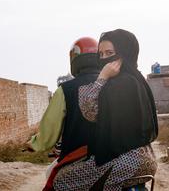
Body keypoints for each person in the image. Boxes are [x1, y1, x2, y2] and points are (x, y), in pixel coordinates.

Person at [52, 29, 158, 191]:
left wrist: (101, 77)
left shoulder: (121, 84)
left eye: (109, 53)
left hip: (127, 160)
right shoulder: (136, 79)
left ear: (124, 53)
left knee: (60, 182)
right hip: (141, 156)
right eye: (100, 54)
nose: (104, 59)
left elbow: (89, 111)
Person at [27, 37, 100, 189]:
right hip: (114, 156)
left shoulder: (65, 90)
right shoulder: (115, 84)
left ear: (74, 59)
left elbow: (49, 132)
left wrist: (34, 143)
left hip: (77, 157)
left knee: (51, 174)